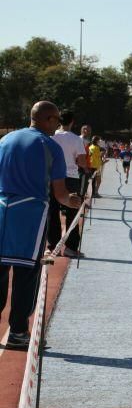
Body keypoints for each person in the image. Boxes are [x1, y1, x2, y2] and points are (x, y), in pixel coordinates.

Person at [0, 101, 81, 349]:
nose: (57, 125)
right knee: (27, 273)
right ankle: (18, 332)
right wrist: (74, 202)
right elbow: (60, 194)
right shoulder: (49, 146)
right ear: (48, 119)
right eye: (56, 120)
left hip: (2, 207)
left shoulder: (5, 140)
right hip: (30, 214)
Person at [48, 110, 87, 257]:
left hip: (53, 177)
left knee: (52, 212)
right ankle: (70, 248)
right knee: (72, 211)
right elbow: (82, 161)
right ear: (72, 122)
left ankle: (53, 247)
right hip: (71, 178)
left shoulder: (52, 136)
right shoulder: (76, 139)